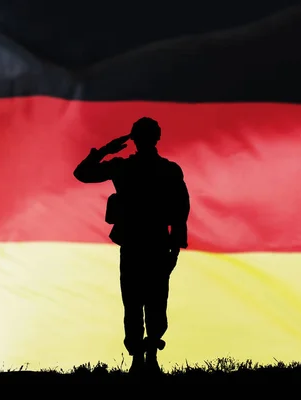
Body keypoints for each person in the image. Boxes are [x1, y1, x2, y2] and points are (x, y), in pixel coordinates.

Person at [73, 117, 190, 374]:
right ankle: (147, 358)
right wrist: (175, 247)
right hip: (156, 243)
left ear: (134, 139)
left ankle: (141, 358)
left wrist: (105, 150)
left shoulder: (123, 167)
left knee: (135, 301)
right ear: (157, 138)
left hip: (136, 244)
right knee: (154, 301)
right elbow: (181, 210)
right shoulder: (169, 170)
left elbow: (83, 173)